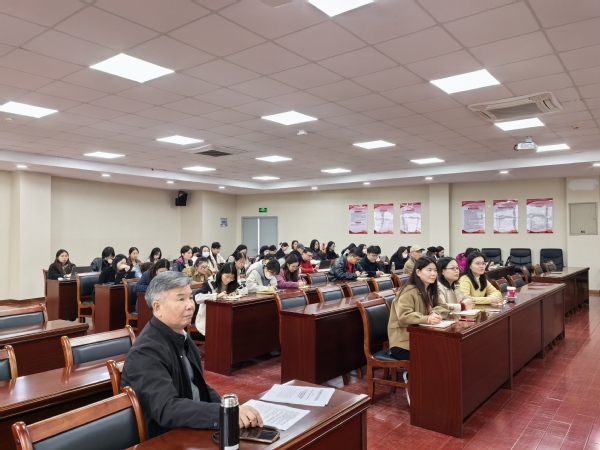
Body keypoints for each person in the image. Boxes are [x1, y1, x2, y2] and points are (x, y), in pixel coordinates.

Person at [120, 271, 262, 439]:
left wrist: (228, 409)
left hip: (190, 425)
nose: (190, 305)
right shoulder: (146, 352)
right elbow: (167, 408)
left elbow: (199, 386)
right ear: (157, 307)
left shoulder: (182, 337)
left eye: (190, 297)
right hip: (168, 437)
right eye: (181, 299)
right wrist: (224, 413)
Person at [388, 257, 449, 404]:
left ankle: (436, 390)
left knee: (444, 352)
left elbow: (443, 307)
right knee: (430, 357)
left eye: (435, 270)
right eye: (429, 270)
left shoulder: (431, 289)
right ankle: (414, 384)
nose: (433, 274)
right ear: (418, 272)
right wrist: (426, 318)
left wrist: (435, 313)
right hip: (402, 342)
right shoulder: (409, 291)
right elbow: (404, 316)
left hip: (421, 338)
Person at [194, 263, 240, 334]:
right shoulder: (210, 282)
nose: (229, 280)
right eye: (227, 277)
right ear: (221, 273)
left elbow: (245, 289)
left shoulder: (232, 282)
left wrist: (236, 292)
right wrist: (216, 296)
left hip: (225, 315)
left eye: (232, 278)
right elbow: (197, 298)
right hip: (209, 317)